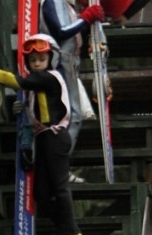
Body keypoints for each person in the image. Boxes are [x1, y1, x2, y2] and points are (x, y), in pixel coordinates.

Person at [0, 33, 89, 235]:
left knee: (60, 188)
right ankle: (68, 232)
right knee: (42, 192)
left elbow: (20, 81)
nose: (37, 63)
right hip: (43, 138)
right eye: (32, 60)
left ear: (50, 59)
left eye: (41, 59)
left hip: (55, 137)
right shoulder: (39, 81)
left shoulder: (48, 77)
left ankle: (71, 233)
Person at [40, 1, 105, 155]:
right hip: (60, 63)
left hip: (68, 63)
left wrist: (86, 20)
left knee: (72, 116)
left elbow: (72, 33)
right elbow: (61, 31)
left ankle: (60, 166)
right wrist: (86, 18)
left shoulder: (66, 5)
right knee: (71, 116)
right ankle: (59, 165)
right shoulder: (53, 2)